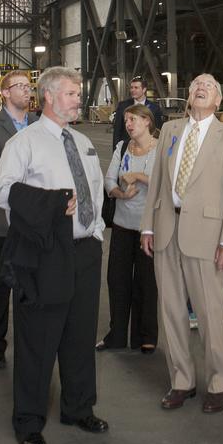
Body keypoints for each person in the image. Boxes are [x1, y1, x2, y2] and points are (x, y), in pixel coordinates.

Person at [0, 66, 107, 444]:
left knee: (79, 334)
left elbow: (94, 190)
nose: (79, 99)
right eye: (73, 93)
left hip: (85, 250)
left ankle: (78, 407)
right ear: (50, 96)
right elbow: (4, 192)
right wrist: (51, 203)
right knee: (38, 339)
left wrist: (96, 231)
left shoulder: (83, 142)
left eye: (78, 92)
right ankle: (28, 420)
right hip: (45, 253)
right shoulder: (24, 143)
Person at [141, 73, 223, 414]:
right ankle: (181, 380)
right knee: (170, 311)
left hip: (207, 234)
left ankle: (219, 382)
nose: (201, 87)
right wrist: (147, 226)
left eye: (209, 86)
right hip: (167, 227)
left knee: (211, 313)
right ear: (189, 95)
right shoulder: (170, 131)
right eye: (197, 84)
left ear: (218, 101)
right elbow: (156, 181)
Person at [0, 71, 38, 369]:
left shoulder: (40, 125)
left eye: (29, 86)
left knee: (33, 285)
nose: (27, 91)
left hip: (38, 223)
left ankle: (30, 342)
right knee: (1, 284)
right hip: (4, 222)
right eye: (20, 87)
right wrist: (31, 198)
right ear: (4, 93)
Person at [98, 104, 159, 352]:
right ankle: (117, 333)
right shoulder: (122, 148)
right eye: (126, 121)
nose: (129, 124)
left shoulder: (162, 149)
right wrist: (119, 193)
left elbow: (168, 184)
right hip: (123, 225)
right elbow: (109, 179)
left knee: (147, 282)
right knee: (118, 280)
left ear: (147, 121)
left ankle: (145, 336)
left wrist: (139, 177)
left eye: (133, 119)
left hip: (149, 227)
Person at [112, 76, 163, 149]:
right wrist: (116, 151)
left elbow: (158, 131)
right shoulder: (122, 106)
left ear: (144, 89)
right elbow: (117, 131)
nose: (132, 90)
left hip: (148, 148)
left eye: (136, 88)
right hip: (126, 148)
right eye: (131, 87)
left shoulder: (154, 108)